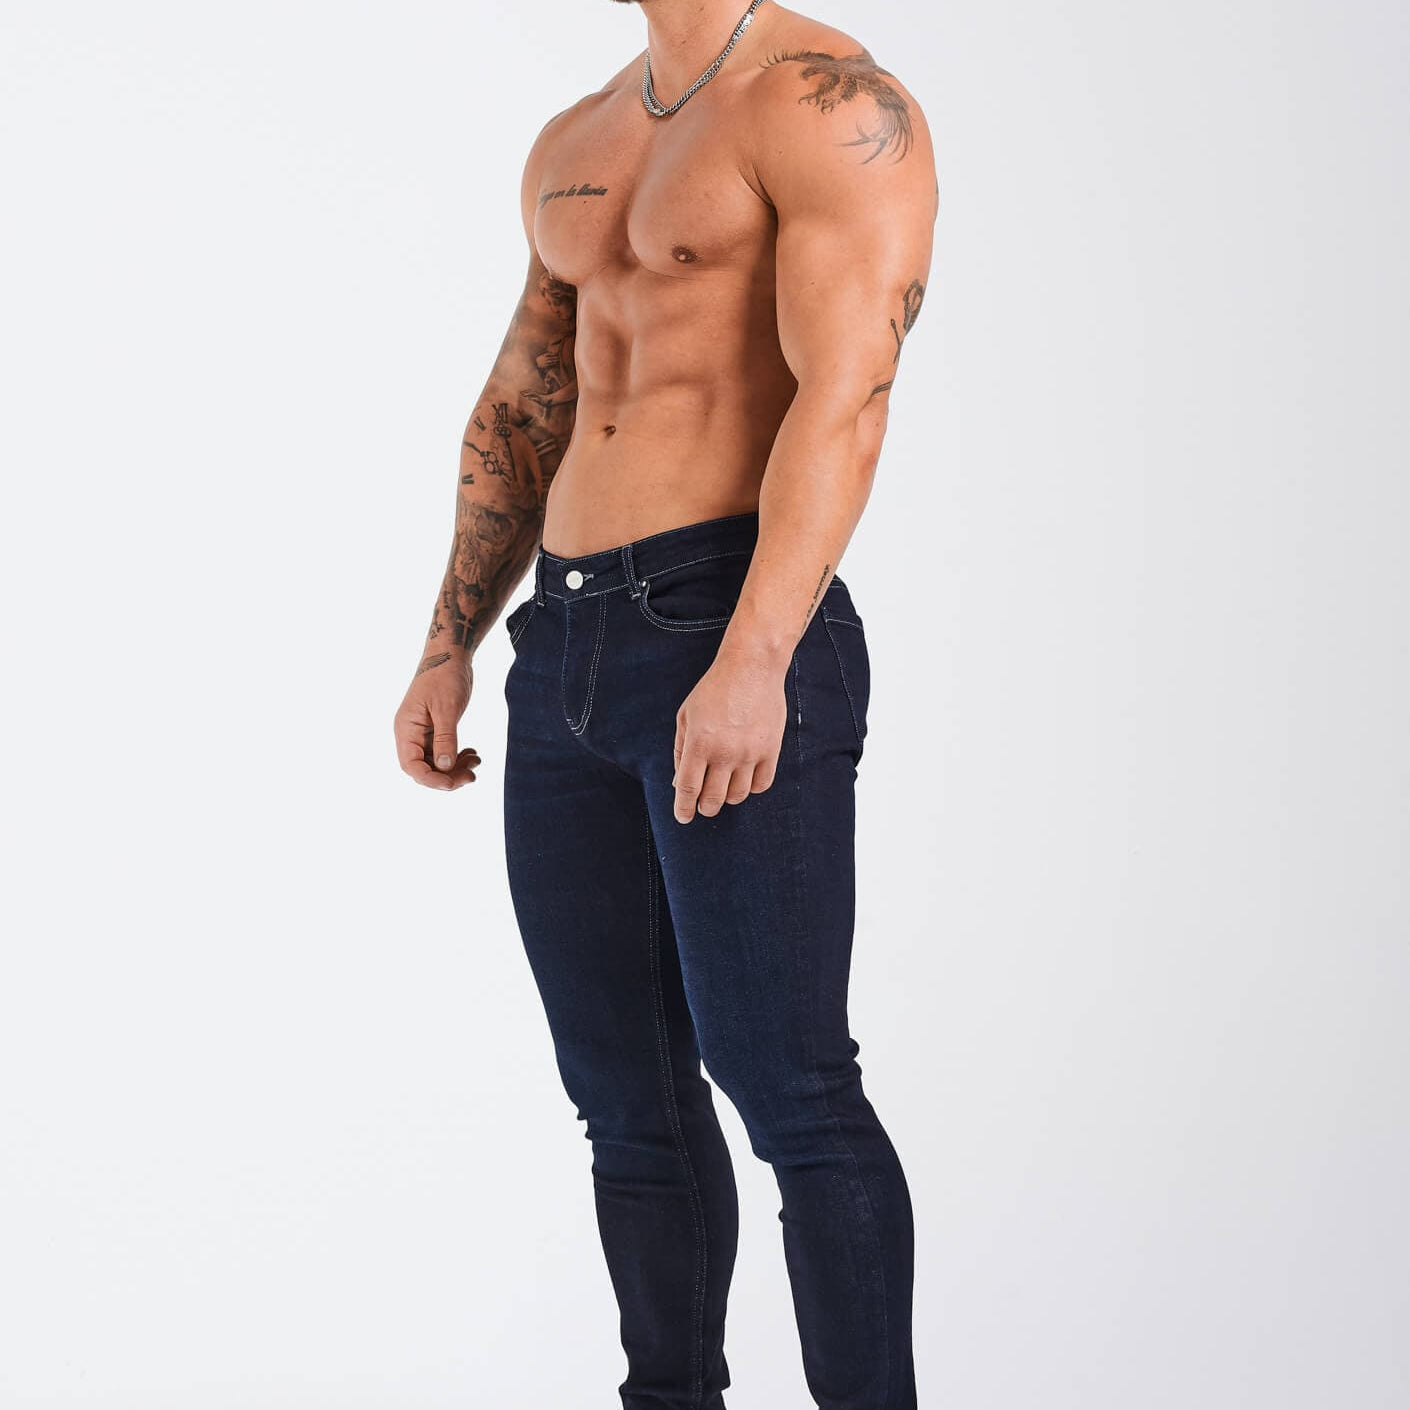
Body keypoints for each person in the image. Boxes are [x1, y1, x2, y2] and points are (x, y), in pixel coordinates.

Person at [393, 1, 936, 1405]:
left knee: (790, 1086)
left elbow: (848, 394)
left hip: (727, 614)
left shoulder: (824, 104)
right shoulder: (579, 137)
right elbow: (526, 399)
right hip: (562, 638)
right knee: (623, 1098)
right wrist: (450, 640)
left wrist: (755, 658)